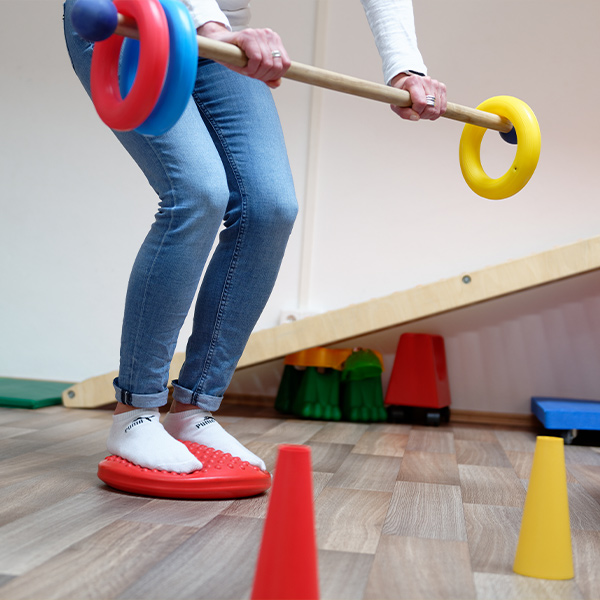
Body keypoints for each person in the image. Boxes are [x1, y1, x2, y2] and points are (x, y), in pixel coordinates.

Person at [63, 0, 446, 474]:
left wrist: (404, 68)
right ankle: (135, 410)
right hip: (133, 18)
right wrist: (211, 26)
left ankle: (194, 411)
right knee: (198, 193)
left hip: (217, 37)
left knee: (270, 208)